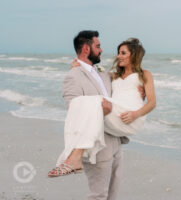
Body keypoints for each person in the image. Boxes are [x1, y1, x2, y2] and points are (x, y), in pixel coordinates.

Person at [48, 30, 156, 200]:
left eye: (123, 53)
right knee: (98, 195)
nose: (103, 51)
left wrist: (137, 102)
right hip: (99, 138)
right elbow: (74, 108)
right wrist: (101, 110)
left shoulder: (107, 74)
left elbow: (141, 96)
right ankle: (74, 157)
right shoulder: (76, 76)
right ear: (86, 49)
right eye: (98, 46)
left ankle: (74, 157)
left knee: (113, 192)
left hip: (120, 131)